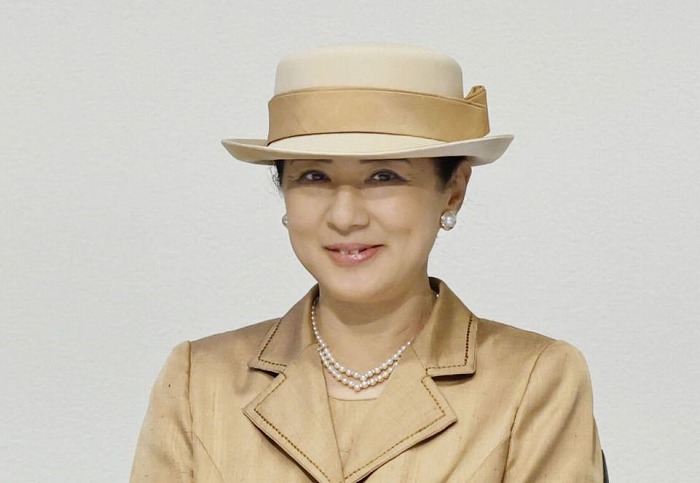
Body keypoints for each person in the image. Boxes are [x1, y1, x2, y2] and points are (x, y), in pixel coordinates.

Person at [130, 44, 604, 482]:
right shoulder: (199, 380)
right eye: (313, 176)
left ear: (453, 190)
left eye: (384, 176)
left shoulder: (534, 379)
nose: (345, 216)